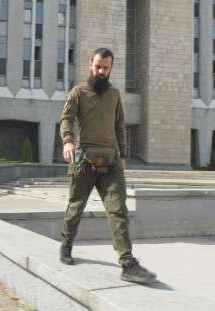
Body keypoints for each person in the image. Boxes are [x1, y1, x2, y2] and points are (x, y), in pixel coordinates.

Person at [59, 48, 156, 284]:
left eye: (106, 68)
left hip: (111, 161)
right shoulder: (78, 92)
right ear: (90, 65)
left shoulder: (114, 94)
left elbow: (119, 125)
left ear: (111, 68)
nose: (101, 71)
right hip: (84, 160)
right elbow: (67, 118)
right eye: (97, 66)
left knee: (118, 209)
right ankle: (66, 245)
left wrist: (122, 155)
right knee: (76, 206)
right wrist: (68, 141)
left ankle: (128, 263)